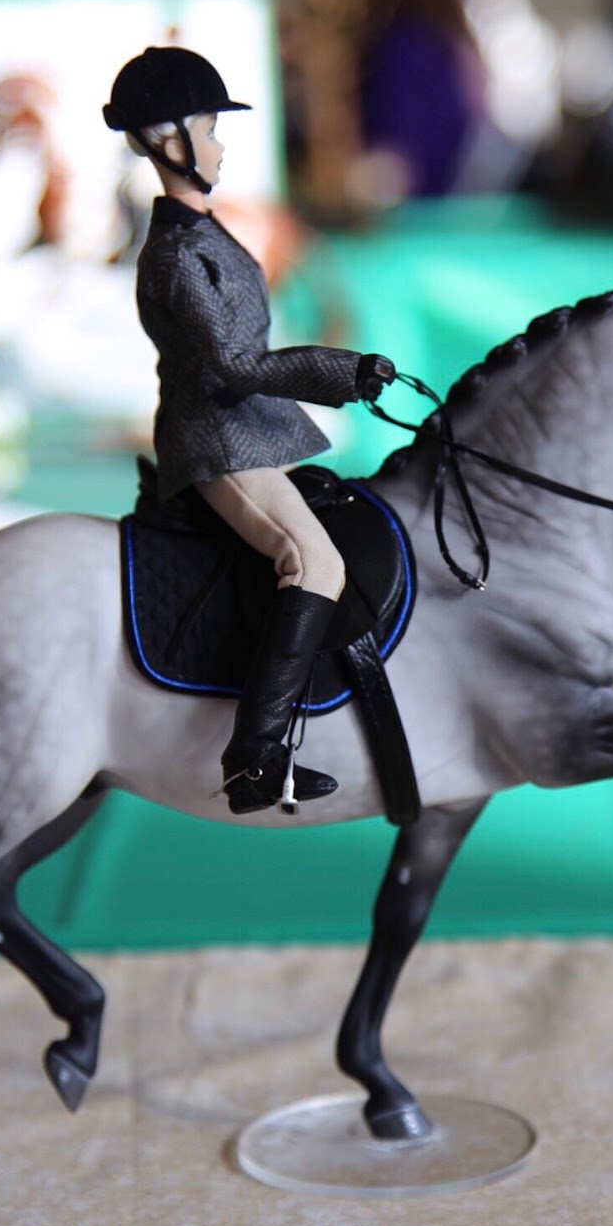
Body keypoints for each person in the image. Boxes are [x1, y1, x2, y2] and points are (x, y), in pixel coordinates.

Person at [103, 46, 395, 816]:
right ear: (168, 141)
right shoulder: (175, 255)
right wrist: (340, 372)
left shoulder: (206, 233)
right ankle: (257, 756)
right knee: (314, 561)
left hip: (249, 427)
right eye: (208, 129)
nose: (220, 144)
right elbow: (234, 363)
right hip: (219, 439)